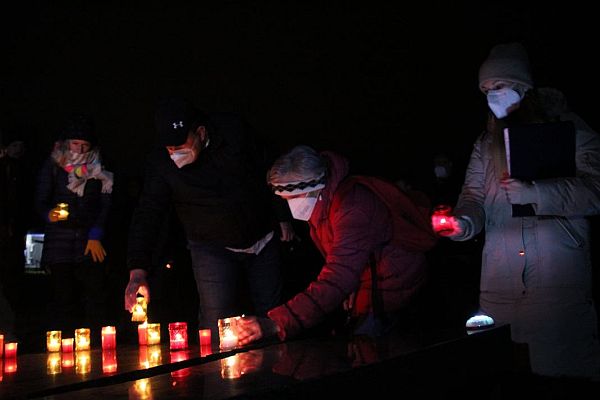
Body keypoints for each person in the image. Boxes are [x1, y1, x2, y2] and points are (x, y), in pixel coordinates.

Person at [431, 42, 600, 379]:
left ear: (523, 86)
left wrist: (537, 192)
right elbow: (474, 196)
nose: (492, 95)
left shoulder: (569, 129)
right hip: (498, 283)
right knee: (502, 373)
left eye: (499, 86)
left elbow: (594, 190)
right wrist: (463, 223)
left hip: (557, 279)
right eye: (486, 89)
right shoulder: (486, 142)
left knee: (561, 372)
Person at [123, 97, 294, 341]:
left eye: (181, 146)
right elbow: (148, 212)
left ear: (201, 133)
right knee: (216, 323)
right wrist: (137, 271)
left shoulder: (235, 134)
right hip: (210, 246)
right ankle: (221, 377)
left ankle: (277, 376)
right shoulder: (161, 164)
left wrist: (282, 214)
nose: (175, 154)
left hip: (261, 236)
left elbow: (270, 166)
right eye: (169, 149)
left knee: (272, 318)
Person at [237, 144, 431, 344]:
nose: (290, 206)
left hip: (392, 284)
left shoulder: (353, 209)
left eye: (292, 198)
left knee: (369, 347)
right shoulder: (323, 204)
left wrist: (276, 323)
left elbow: (339, 274)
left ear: (312, 187)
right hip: (370, 282)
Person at [35, 113, 113, 331]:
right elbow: (40, 200)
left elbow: (105, 203)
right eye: (75, 143)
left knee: (95, 296)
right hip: (59, 243)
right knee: (64, 298)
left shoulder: (100, 168)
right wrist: (49, 214)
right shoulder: (54, 164)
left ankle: (96, 346)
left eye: (84, 145)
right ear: (67, 142)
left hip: (88, 240)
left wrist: (96, 232)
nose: (79, 149)